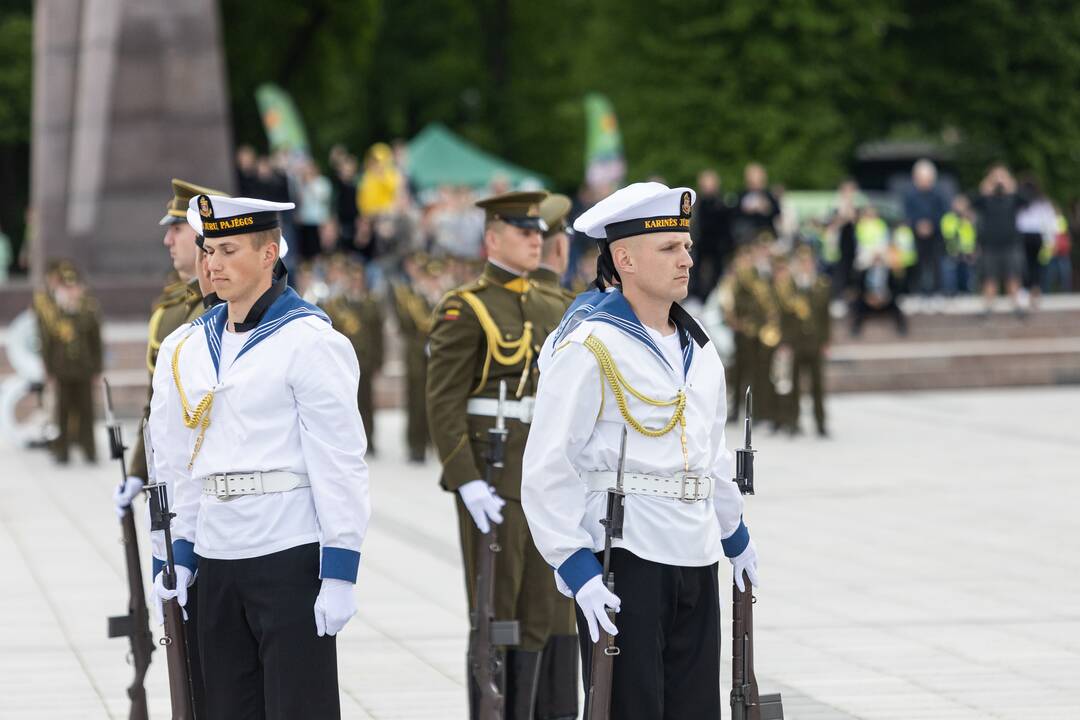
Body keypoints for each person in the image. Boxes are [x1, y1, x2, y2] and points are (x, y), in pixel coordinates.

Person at [520, 182, 758, 719]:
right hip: (627, 555)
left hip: (695, 552)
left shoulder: (700, 347)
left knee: (697, 709)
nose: (687, 260)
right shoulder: (590, 346)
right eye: (670, 249)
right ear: (624, 258)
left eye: (687, 246)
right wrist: (574, 566)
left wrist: (735, 533)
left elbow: (711, 450)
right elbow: (546, 465)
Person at [149, 194, 370, 719]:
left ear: (269, 253)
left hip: (287, 548)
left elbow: (339, 461)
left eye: (228, 250)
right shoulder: (186, 345)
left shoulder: (310, 340)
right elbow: (175, 461)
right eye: (208, 250)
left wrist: (340, 568)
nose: (212, 264)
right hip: (216, 552)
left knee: (298, 707)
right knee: (224, 706)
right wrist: (173, 551)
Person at [426, 191, 577, 719]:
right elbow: (442, 403)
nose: (537, 240)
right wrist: (465, 480)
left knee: (549, 610)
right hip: (496, 480)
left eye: (539, 232)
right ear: (493, 238)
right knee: (498, 611)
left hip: (548, 478)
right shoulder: (464, 308)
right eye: (523, 232)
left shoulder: (556, 306)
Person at [37, 260, 102, 464]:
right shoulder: (54, 312)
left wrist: (97, 370)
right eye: (67, 286)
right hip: (62, 370)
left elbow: (96, 342)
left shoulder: (88, 310)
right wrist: (48, 369)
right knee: (62, 412)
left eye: (73, 286)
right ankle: (61, 450)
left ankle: (88, 449)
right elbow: (47, 343)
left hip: (84, 369)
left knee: (86, 411)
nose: (71, 291)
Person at [321, 258, 384, 454]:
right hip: (344, 363)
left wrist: (379, 360)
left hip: (365, 361)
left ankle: (370, 440)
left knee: (366, 403)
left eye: (359, 280)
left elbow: (378, 335)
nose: (356, 283)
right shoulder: (336, 305)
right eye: (353, 279)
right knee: (346, 404)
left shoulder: (371, 304)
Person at [392, 253, 438, 463]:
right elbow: (406, 325)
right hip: (416, 356)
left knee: (433, 402)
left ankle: (430, 442)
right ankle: (415, 446)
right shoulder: (411, 298)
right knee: (416, 402)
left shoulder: (439, 298)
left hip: (435, 356)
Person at [972, 165, 1025, 315]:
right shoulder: (986, 198)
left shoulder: (1013, 197)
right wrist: (984, 189)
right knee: (989, 277)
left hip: (1010, 243)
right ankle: (988, 307)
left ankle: (1017, 306)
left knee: (1013, 276)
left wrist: (1012, 187)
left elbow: (1026, 201)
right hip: (990, 245)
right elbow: (973, 202)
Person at [903, 159, 949, 304]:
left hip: (935, 234)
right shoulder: (910, 195)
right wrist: (918, 224)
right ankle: (918, 293)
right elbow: (907, 213)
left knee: (936, 264)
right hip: (916, 235)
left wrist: (931, 225)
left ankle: (937, 294)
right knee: (917, 264)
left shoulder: (938, 195)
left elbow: (943, 212)